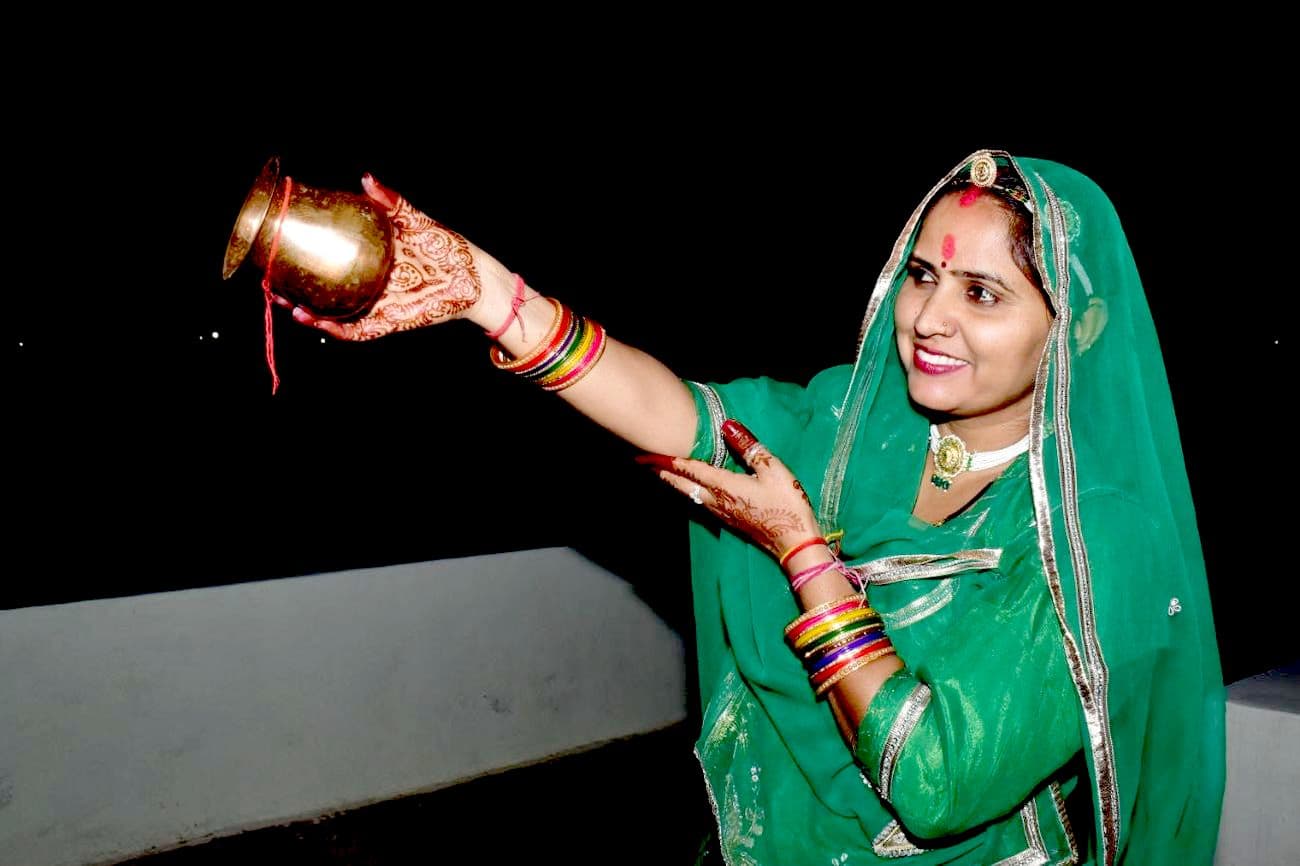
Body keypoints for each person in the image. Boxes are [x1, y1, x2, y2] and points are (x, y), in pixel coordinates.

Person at [280, 150, 1225, 864]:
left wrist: (804, 556)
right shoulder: (856, 424)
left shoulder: (1097, 532)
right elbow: (682, 416)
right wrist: (489, 297)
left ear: (1078, 326)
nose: (931, 318)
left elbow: (937, 782)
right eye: (925, 276)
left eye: (985, 294)